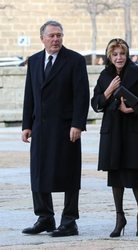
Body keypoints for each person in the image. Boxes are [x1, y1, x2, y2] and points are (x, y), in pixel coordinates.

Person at [21, 20, 90, 237]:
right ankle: (45, 217)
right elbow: (29, 95)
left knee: (69, 174)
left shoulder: (75, 60)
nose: (56, 39)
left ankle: (69, 221)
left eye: (59, 35)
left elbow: (82, 95)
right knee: (38, 173)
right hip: (40, 127)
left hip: (66, 128)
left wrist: (78, 124)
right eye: (51, 35)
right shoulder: (33, 61)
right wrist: (26, 125)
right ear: (42, 38)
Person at [91, 38, 138, 237]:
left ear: (127, 55)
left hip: (133, 128)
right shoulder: (104, 75)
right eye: (115, 54)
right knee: (115, 174)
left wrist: (132, 109)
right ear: (109, 56)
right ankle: (119, 217)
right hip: (112, 130)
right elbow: (96, 103)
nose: (119, 58)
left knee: (135, 173)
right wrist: (108, 91)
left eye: (122, 54)